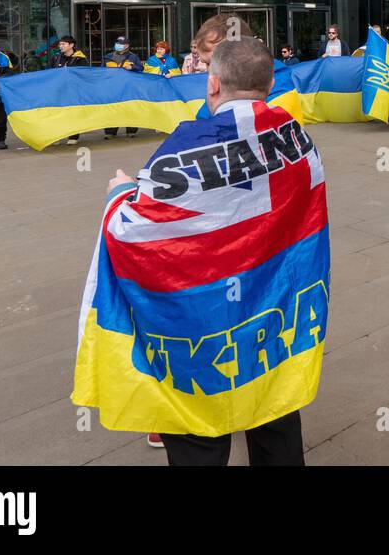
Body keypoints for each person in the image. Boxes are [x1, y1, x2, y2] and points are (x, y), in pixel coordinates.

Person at [101, 38, 322, 463]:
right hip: (275, 314)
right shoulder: (298, 137)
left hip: (206, 322)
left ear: (213, 84)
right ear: (271, 82)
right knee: (273, 411)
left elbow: (134, 230)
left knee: (197, 429)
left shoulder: (186, 146)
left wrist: (121, 192)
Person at [104, 36, 143, 139]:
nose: (118, 45)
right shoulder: (108, 56)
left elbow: (141, 68)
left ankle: (131, 131)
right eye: (117, 43)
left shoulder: (133, 57)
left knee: (130, 108)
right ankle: (110, 132)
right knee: (112, 109)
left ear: (127, 46)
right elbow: (101, 71)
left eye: (121, 43)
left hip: (128, 87)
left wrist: (132, 67)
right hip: (112, 87)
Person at [53, 35, 90, 145]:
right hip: (59, 90)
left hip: (74, 91)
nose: (61, 46)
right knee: (57, 113)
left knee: (73, 113)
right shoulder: (56, 57)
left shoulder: (80, 58)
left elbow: (84, 74)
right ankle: (57, 136)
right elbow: (50, 73)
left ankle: (73, 136)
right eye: (60, 44)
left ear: (71, 45)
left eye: (63, 44)